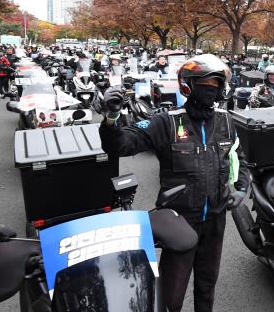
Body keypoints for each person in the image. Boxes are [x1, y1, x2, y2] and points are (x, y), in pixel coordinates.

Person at [99, 54, 250, 312]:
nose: (211, 90)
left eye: (216, 85)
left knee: (207, 286)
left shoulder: (226, 121)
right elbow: (121, 145)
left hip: (215, 220)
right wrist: (112, 117)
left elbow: (239, 157)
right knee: (172, 295)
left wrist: (242, 189)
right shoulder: (167, 121)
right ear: (188, 86)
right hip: (179, 222)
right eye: (205, 84)